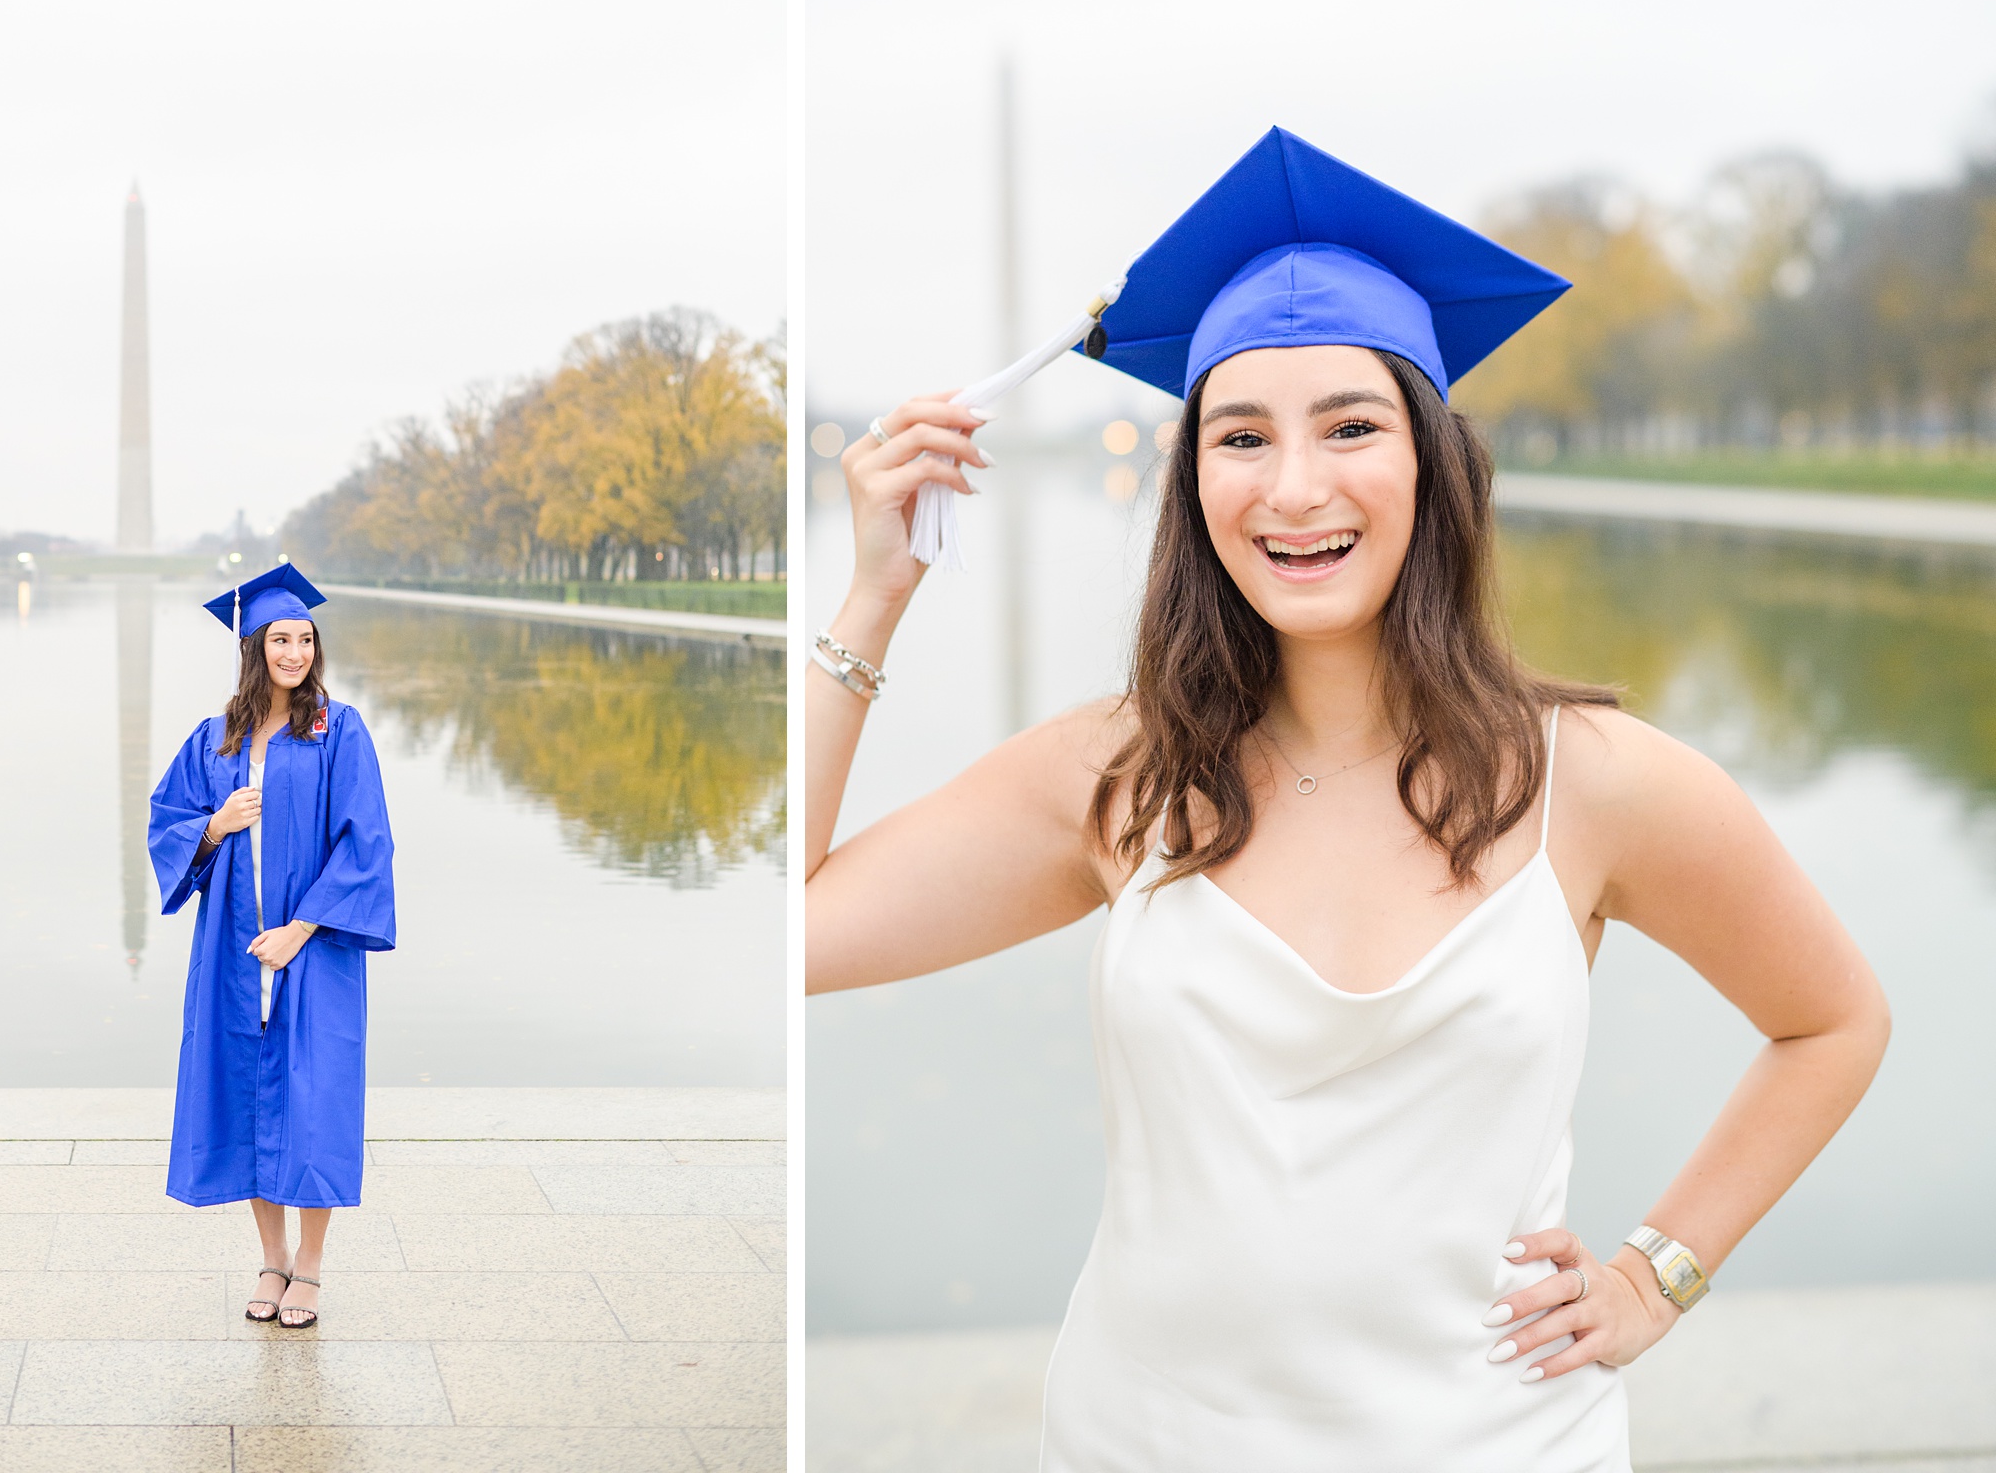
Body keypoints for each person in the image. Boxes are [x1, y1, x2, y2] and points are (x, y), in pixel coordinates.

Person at [805, 128, 1890, 1470]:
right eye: (1241, 436)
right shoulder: (1115, 780)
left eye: (1353, 426)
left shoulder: (1593, 784)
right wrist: (872, 600)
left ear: (1433, 461)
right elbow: (782, 939)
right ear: (1193, 481)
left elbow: (1833, 1019)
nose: (1295, 485)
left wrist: (1654, 1275)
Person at [149, 561, 397, 1330]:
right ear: (254, 647)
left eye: (305, 638)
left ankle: (312, 1269)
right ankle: (271, 1260)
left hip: (312, 950)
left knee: (313, 1097)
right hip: (232, 952)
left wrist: (302, 928)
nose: (293, 652)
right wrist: (214, 825)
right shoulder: (214, 736)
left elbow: (367, 842)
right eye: (279, 639)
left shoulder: (337, 729)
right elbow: (168, 821)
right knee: (249, 1094)